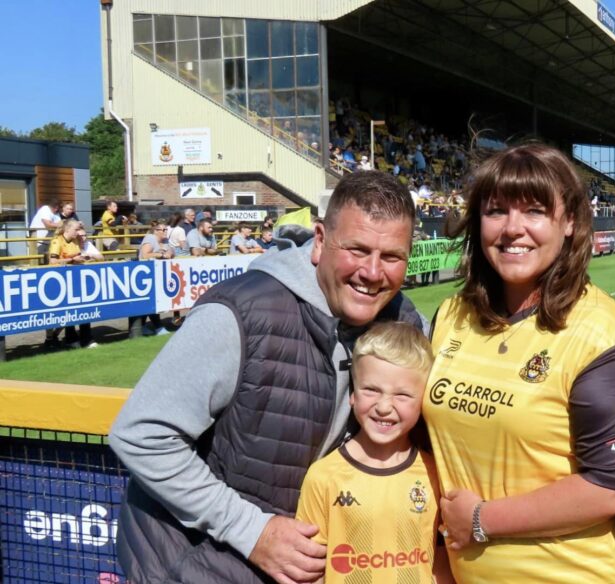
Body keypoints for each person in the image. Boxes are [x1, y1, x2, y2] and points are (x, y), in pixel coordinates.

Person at [109, 170, 427, 583]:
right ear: (320, 240)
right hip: (192, 568)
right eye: (357, 249)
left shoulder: (406, 325)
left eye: (391, 257)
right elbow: (140, 434)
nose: (371, 272)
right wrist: (251, 530)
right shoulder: (241, 313)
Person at [424, 144, 615, 582]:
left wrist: (484, 519)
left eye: (535, 211)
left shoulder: (602, 335)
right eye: (496, 211)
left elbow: (610, 488)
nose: (512, 229)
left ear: (570, 223)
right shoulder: (451, 316)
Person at [296, 322, 452, 583]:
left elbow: (443, 561)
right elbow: (310, 570)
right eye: (371, 390)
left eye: (402, 395)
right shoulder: (323, 476)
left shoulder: (435, 473)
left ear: (423, 401)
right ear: (353, 394)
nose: (384, 406)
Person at [43, 219, 97, 349]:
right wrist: (72, 259)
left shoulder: (76, 241)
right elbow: (53, 261)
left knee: (84, 309)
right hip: (59, 281)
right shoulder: (57, 241)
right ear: (67, 230)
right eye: (76, 230)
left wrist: (83, 258)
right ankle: (58, 338)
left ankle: (86, 339)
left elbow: (77, 257)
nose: (78, 232)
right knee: (66, 313)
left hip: (74, 279)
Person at [136, 220, 175, 336]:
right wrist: (161, 254)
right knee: (151, 301)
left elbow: (172, 251)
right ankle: (158, 327)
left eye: (166, 230)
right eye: (162, 230)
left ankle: (144, 326)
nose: (165, 232)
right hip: (145, 274)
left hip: (158, 274)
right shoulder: (150, 238)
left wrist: (169, 252)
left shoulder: (165, 241)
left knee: (150, 302)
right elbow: (144, 255)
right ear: (155, 231)